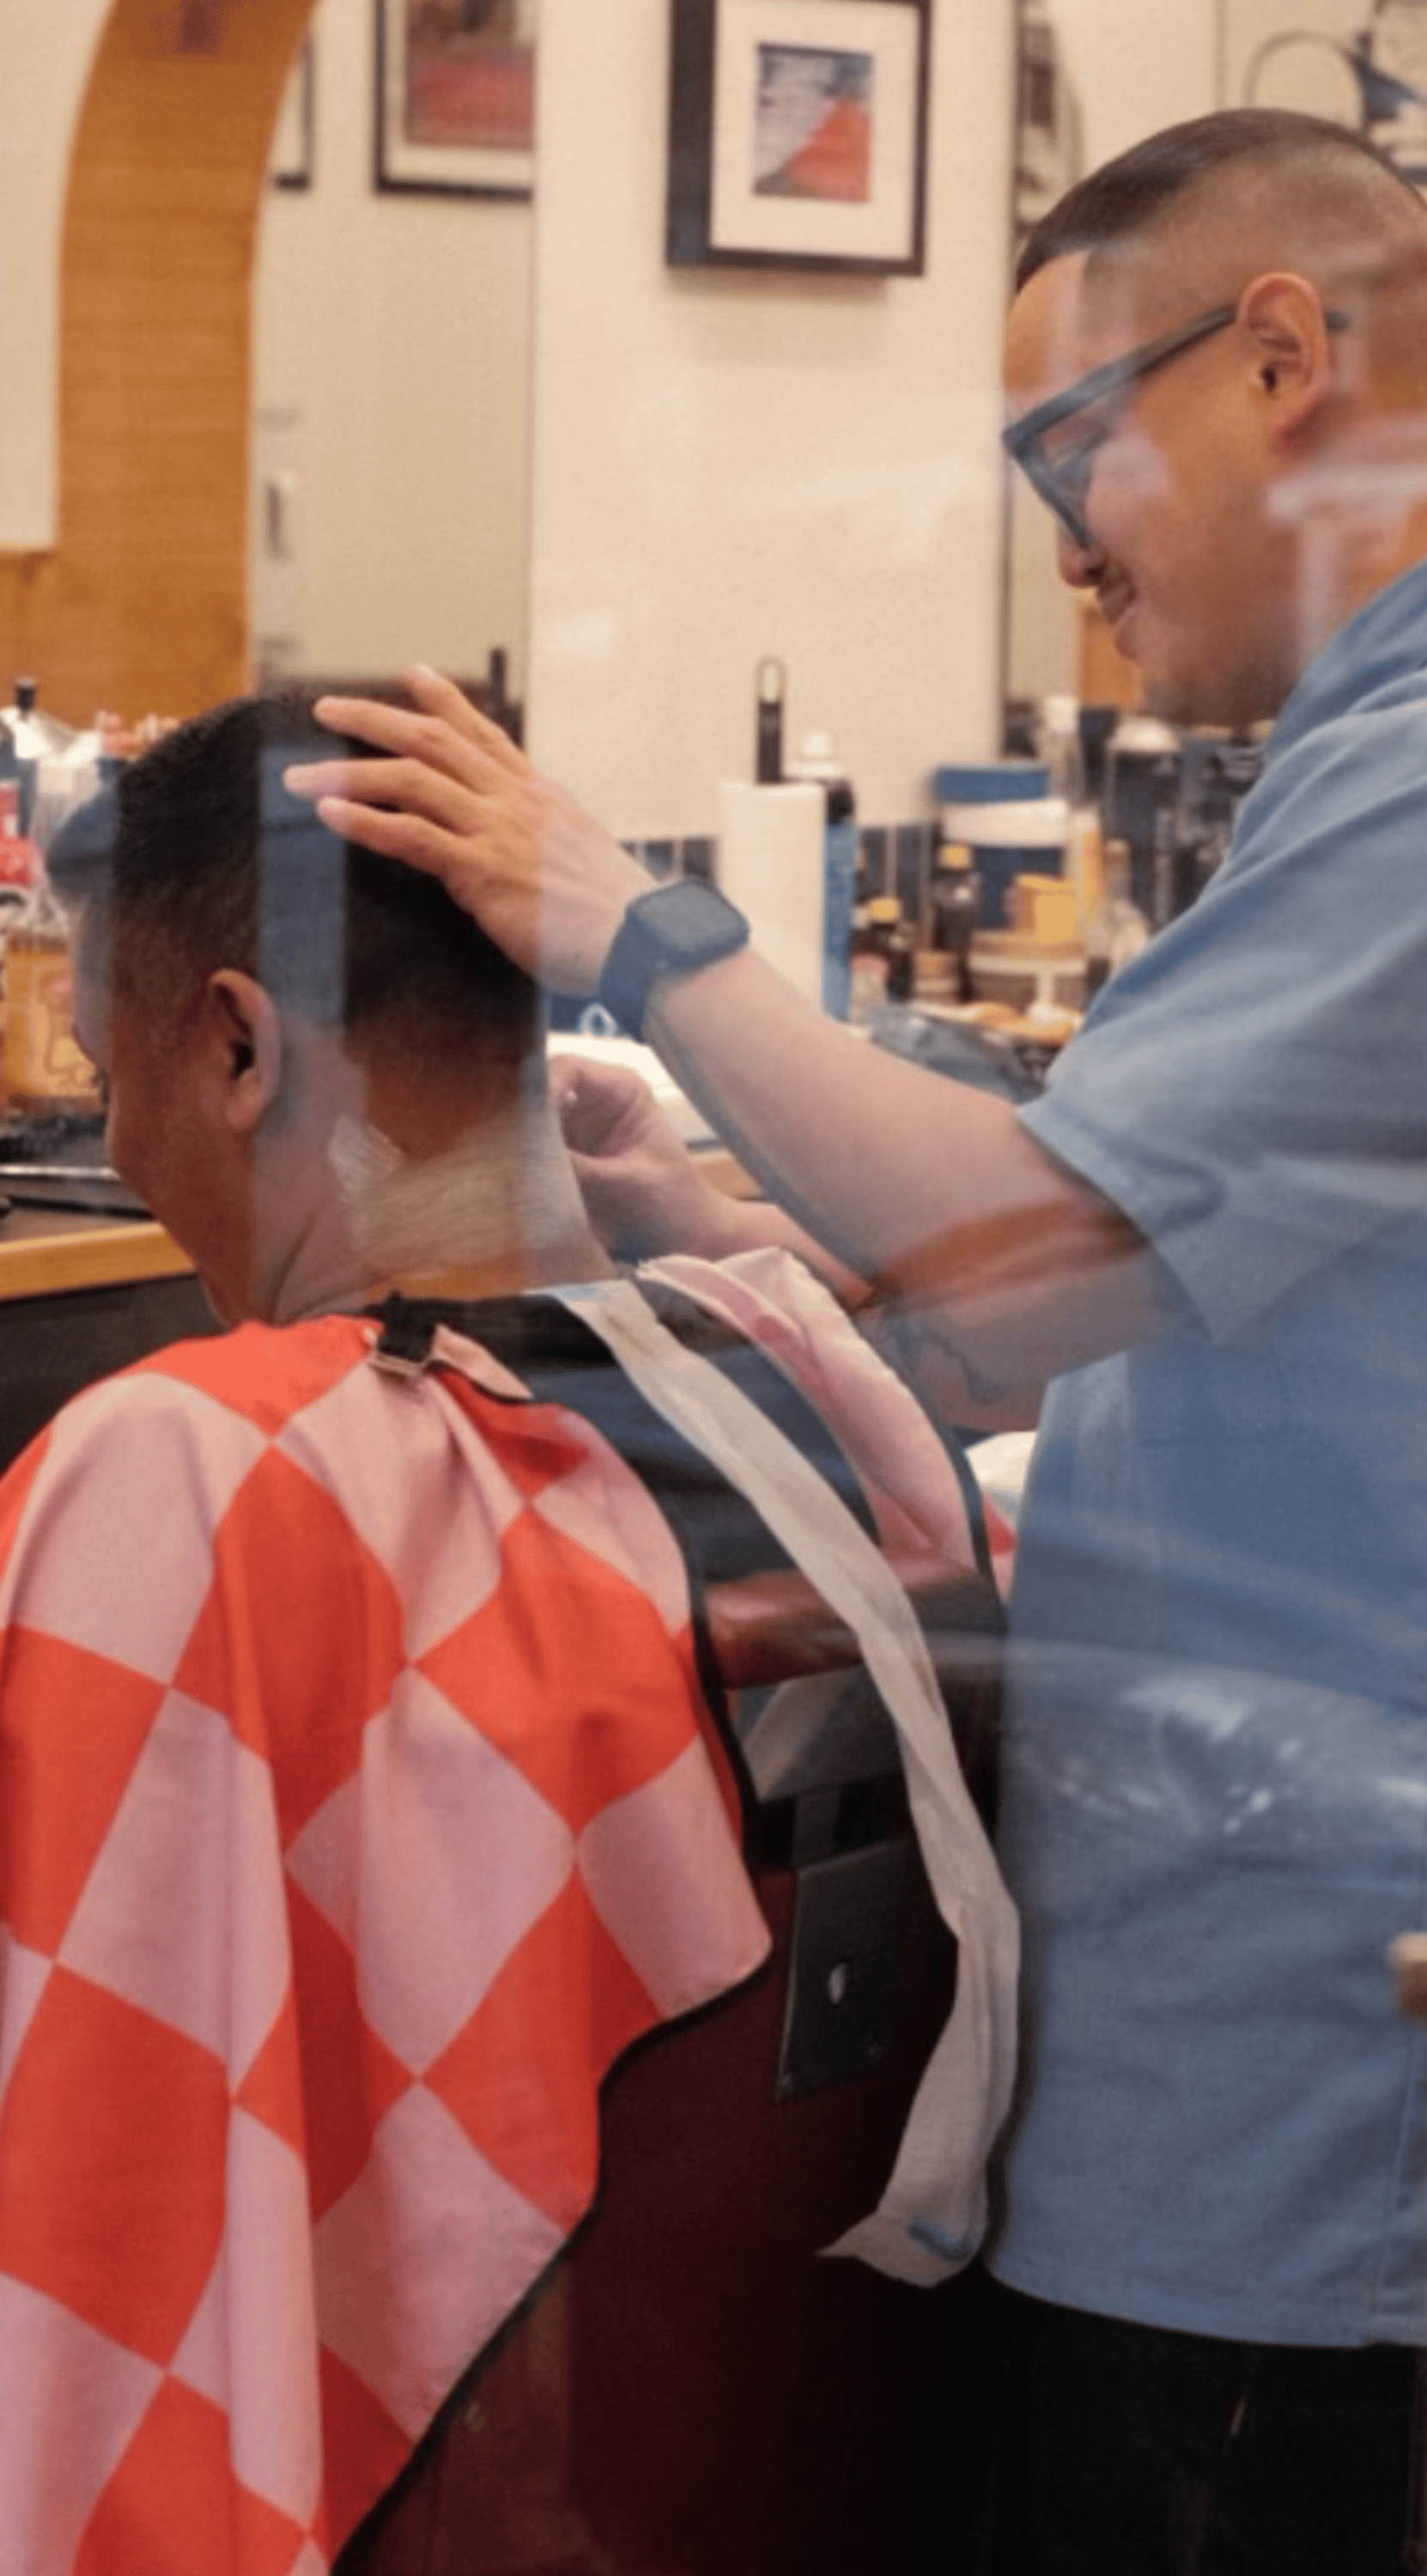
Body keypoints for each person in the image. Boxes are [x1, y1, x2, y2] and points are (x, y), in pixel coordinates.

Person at [284, 107, 1427, 2573]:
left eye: (1073, 454)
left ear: (1281, 361)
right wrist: (699, 1203)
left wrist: (636, 927)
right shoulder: (1389, 758)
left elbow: (1035, 1262)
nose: (1066, 551)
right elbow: (1130, 1308)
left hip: (1328, 2113)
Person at [0, 693, 1008, 2575]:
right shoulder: (795, 1393)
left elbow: (82, 2155)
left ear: (234, 1044)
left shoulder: (196, 1480)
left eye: (99, 1063)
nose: (115, 1138)